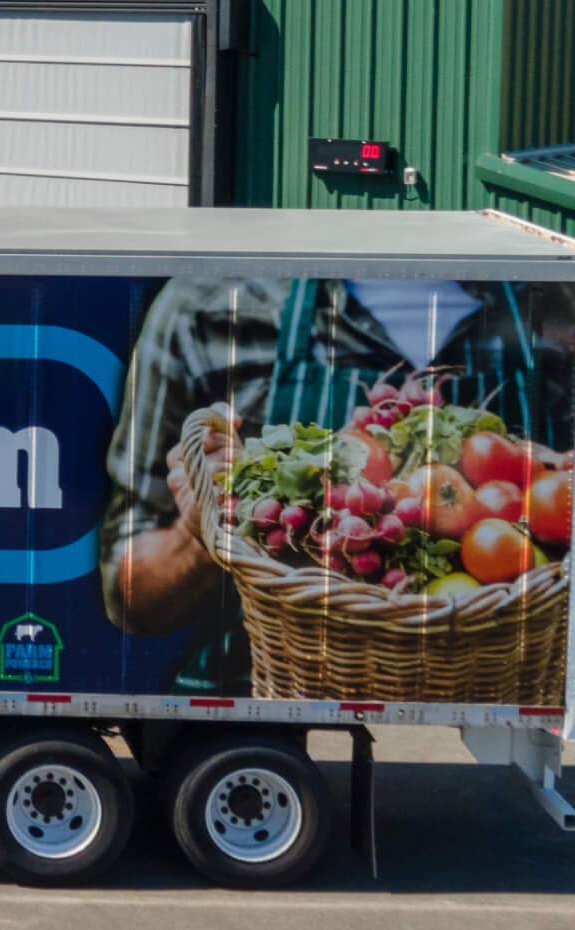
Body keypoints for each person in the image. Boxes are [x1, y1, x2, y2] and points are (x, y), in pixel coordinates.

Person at [100, 277, 575, 691]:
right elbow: (132, 602)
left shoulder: (555, 304)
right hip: (264, 690)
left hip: (504, 684)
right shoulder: (210, 306)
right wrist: (197, 531)